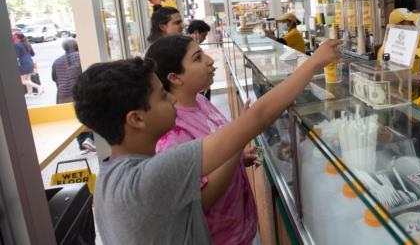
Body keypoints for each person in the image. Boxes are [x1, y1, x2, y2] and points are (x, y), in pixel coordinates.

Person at [72, 39, 341, 244]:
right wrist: (314, 63)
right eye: (162, 97)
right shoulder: (154, 175)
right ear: (137, 120)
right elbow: (260, 115)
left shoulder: (111, 177)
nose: (173, 100)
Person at [147, 35, 258, 245]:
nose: (210, 60)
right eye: (197, 58)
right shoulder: (172, 132)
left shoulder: (200, 101)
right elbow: (202, 201)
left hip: (239, 228)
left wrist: (238, 157)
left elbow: (212, 159)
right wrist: (239, 137)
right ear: (175, 78)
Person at [51, 39, 95, 153]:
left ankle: (82, 145)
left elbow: (54, 78)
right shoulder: (81, 56)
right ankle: (90, 139)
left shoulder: (57, 61)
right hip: (80, 93)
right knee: (90, 114)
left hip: (64, 96)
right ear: (76, 45)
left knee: (77, 119)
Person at [186, 20, 212, 100]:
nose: (204, 39)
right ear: (196, 32)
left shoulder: (193, 45)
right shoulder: (187, 46)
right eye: (203, 35)